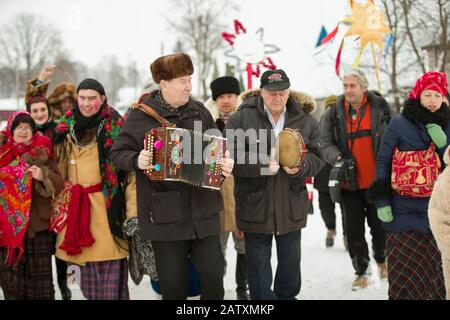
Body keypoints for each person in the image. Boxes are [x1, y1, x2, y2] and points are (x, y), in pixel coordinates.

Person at [110, 53, 234, 300]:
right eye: (182, 81)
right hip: (165, 218)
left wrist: (223, 164)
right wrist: (138, 160)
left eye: (190, 79)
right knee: (173, 287)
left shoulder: (199, 111)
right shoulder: (140, 116)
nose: (189, 86)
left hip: (204, 213)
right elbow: (118, 153)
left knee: (213, 281)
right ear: (164, 83)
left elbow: (216, 149)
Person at [225, 69, 324, 300]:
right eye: (271, 93)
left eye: (282, 92)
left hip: (291, 204)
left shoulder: (306, 120)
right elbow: (231, 157)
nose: (277, 98)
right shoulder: (240, 118)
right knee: (258, 271)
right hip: (254, 205)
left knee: (290, 266)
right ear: (261, 92)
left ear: (289, 92)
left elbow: (318, 156)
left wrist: (300, 166)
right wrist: (261, 163)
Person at [52, 78, 135, 300]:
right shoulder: (64, 127)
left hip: (107, 215)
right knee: (77, 285)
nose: (87, 103)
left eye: (92, 98)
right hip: (74, 219)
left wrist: (133, 215)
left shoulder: (117, 127)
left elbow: (130, 177)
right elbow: (57, 173)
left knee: (111, 288)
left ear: (103, 99)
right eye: (82, 98)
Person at [369, 71, 449, 300]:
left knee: (436, 281)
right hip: (401, 212)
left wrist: (444, 144)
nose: (432, 100)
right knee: (404, 281)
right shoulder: (399, 123)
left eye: (438, 95)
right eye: (428, 94)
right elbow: (383, 161)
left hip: (437, 216)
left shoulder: (448, 124)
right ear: (418, 94)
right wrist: (382, 202)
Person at [320, 69, 392, 290]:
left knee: (380, 229)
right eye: (345, 86)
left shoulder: (380, 108)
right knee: (353, 232)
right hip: (348, 184)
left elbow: (393, 136)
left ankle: (382, 260)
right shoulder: (333, 113)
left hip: (376, 182)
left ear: (364, 87)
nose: (348, 90)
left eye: (353, 86)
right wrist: (338, 157)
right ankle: (361, 271)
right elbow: (324, 142)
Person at [0, 111, 64, 300]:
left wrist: (43, 176)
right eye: (19, 127)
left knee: (41, 286)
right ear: (12, 130)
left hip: (38, 229)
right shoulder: (3, 152)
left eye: (28, 128)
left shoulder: (43, 150)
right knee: (12, 284)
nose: (23, 131)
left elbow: (59, 183)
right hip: (8, 231)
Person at [24, 76, 71, 299]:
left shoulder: (59, 130)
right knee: (42, 252)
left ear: (48, 110)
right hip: (39, 199)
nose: (40, 114)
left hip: (60, 191)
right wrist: (39, 78)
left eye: (43, 110)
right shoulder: (24, 133)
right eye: (35, 111)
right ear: (29, 113)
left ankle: (65, 282)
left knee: (62, 246)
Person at [205, 76, 249, 300]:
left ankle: (244, 289)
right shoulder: (208, 123)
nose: (226, 101)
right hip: (217, 195)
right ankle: (217, 291)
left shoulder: (247, 120)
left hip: (243, 194)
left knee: (244, 247)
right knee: (216, 248)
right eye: (221, 97)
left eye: (230, 96)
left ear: (237, 96)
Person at [313, 95, 347, 249]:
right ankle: (330, 229)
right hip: (323, 174)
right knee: (325, 207)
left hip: (343, 173)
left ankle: (348, 235)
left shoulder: (346, 125)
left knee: (347, 207)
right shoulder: (318, 126)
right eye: (329, 108)